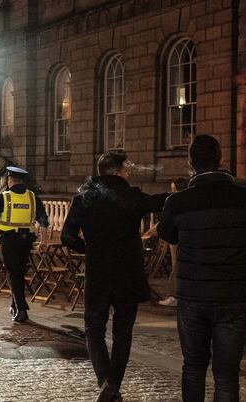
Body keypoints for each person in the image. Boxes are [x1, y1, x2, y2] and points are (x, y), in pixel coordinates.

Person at [157, 135, 246, 401]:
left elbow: (167, 233)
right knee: (227, 374)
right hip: (235, 296)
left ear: (190, 163)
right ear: (221, 160)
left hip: (193, 296)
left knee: (194, 367)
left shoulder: (179, 201)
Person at [61, 153, 168, 402]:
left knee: (93, 329)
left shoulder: (84, 198)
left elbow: (67, 236)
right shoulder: (131, 196)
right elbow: (158, 203)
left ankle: (105, 381)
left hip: (98, 272)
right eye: (127, 167)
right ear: (118, 171)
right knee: (123, 333)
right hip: (127, 273)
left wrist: (89, 248)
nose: (129, 171)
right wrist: (181, 193)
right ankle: (112, 385)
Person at [0, 166, 48, 323]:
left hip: (9, 241)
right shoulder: (33, 197)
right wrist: (44, 240)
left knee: (13, 273)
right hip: (27, 241)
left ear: (10, 180)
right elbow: (44, 219)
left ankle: (21, 308)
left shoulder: (4, 197)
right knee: (18, 272)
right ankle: (15, 303)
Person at [157, 177, 188, 307]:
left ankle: (174, 295)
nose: (172, 191)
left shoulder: (176, 202)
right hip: (181, 239)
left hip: (178, 240)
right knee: (177, 266)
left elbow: (164, 225)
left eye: (173, 188)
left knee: (176, 266)